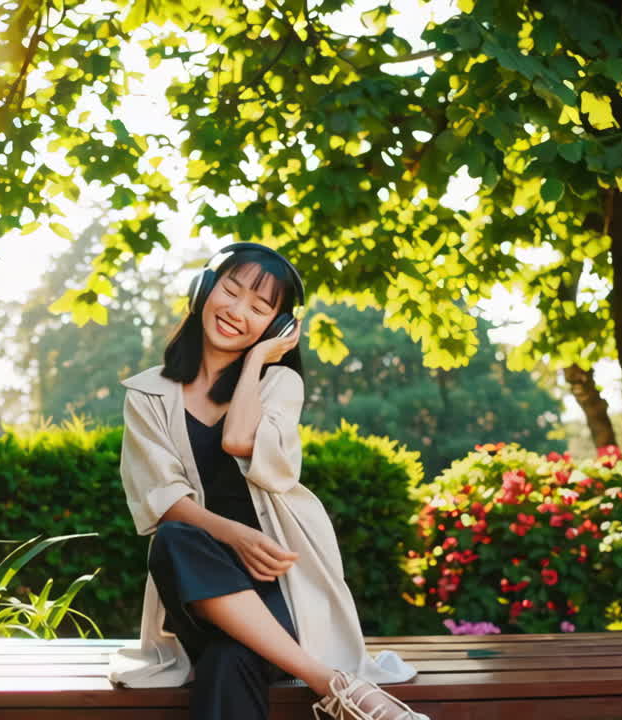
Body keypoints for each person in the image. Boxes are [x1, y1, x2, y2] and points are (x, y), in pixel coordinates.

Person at [107, 243, 430, 720]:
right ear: (204, 289)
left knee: (227, 660)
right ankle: (337, 687)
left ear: (277, 328)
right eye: (230, 292)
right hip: (199, 588)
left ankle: (332, 682)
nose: (237, 312)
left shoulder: (280, 384)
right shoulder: (148, 394)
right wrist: (233, 534)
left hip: (280, 586)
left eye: (259, 309)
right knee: (174, 538)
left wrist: (258, 360)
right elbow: (161, 497)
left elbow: (240, 440)